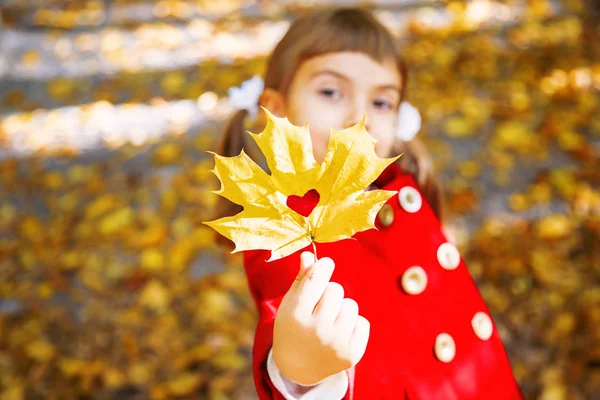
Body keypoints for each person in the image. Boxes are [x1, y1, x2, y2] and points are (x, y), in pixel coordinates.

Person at [214, 7, 524, 400]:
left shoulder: (400, 190)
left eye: (381, 103)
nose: (359, 118)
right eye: (331, 92)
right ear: (276, 109)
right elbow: (286, 345)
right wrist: (301, 371)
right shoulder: (284, 227)